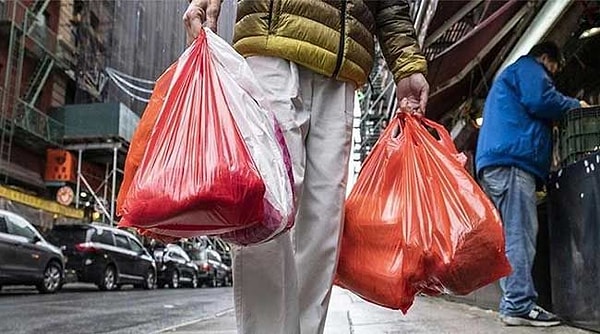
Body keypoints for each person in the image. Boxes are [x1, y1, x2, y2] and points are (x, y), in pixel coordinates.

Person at [183, 1, 429, 333]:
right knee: (265, 210)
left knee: (322, 226)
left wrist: (406, 61)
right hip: (273, 40)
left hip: (342, 62)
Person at [476, 41, 589, 327]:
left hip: (498, 164)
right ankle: (518, 305)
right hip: (513, 164)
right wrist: (577, 105)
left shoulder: (511, 75)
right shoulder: (529, 68)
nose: (552, 75)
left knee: (511, 236)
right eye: (553, 68)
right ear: (544, 58)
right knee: (519, 234)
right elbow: (541, 100)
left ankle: (512, 302)